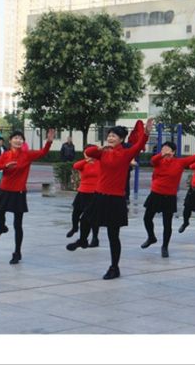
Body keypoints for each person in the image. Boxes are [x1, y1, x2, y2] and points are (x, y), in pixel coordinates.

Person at [66, 119, 152, 280]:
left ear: (121, 139)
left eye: (114, 136)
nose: (110, 138)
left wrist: (146, 133)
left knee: (114, 235)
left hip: (115, 199)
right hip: (99, 195)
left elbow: (139, 145)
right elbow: (90, 152)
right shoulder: (103, 152)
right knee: (85, 219)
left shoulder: (126, 154)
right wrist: (100, 148)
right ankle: (83, 240)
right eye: (109, 135)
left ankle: (114, 267)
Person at [0, 129, 55, 264]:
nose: (18, 140)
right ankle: (2, 227)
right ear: (10, 141)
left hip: (19, 192)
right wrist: (5, 166)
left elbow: (43, 152)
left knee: (17, 224)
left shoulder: (27, 155)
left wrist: (49, 142)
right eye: (16, 138)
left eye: (21, 138)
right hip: (4, 190)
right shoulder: (6, 155)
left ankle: (17, 252)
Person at [140, 140, 195, 258]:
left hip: (169, 196)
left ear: (174, 151)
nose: (164, 150)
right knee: (147, 218)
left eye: (167, 149)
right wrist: (162, 154)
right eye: (163, 148)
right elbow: (153, 160)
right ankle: (151, 237)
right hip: (155, 194)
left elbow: (193, 159)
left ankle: (165, 246)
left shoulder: (179, 162)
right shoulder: (158, 160)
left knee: (167, 223)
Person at [66, 146, 101, 247]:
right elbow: (75, 166)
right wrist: (86, 160)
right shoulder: (83, 163)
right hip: (82, 192)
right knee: (76, 212)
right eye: (86, 153)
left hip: (94, 193)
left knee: (92, 218)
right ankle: (74, 228)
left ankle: (95, 238)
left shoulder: (99, 162)